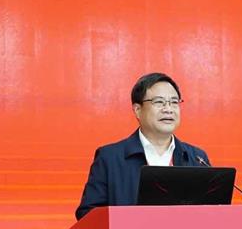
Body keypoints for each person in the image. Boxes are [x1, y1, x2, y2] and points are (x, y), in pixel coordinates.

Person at [75, 72, 211, 219]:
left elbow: (213, 212)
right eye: (159, 102)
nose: (168, 109)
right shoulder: (109, 159)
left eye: (174, 102)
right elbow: (88, 215)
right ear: (137, 110)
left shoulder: (197, 158)